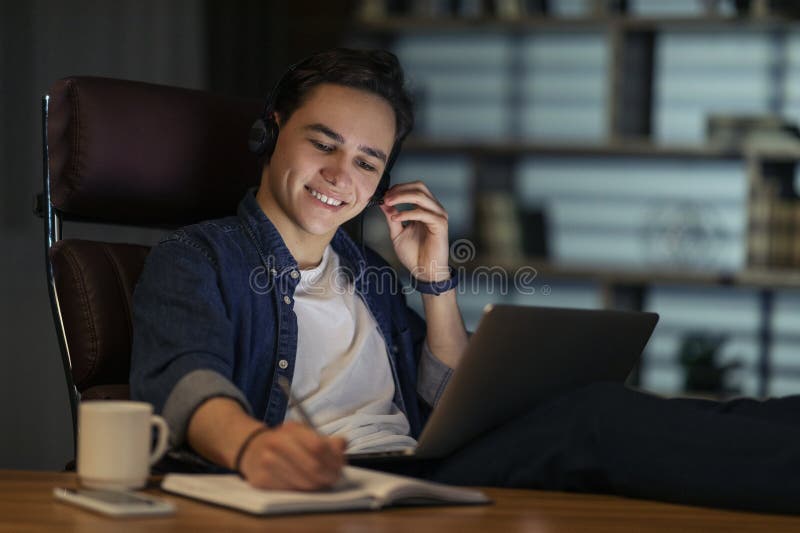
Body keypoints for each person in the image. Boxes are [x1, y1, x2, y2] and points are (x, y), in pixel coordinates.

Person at [131, 48, 800, 514]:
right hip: (356, 480)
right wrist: (253, 446)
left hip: (417, 463)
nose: (342, 175)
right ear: (273, 129)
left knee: (762, 413)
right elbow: (186, 379)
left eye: (368, 160)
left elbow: (452, 399)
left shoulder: (366, 276)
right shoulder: (197, 258)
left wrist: (434, 283)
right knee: (591, 421)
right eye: (322, 142)